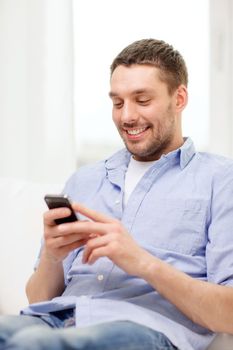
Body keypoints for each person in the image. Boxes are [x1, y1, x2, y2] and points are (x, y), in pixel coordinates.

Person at [1, 38, 233, 350]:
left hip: (141, 328)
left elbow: (229, 313)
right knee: (28, 337)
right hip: (51, 319)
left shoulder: (219, 179)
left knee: (34, 344)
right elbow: (38, 298)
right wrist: (52, 258)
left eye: (142, 100)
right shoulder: (84, 180)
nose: (126, 117)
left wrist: (140, 261)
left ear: (178, 99)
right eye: (118, 103)